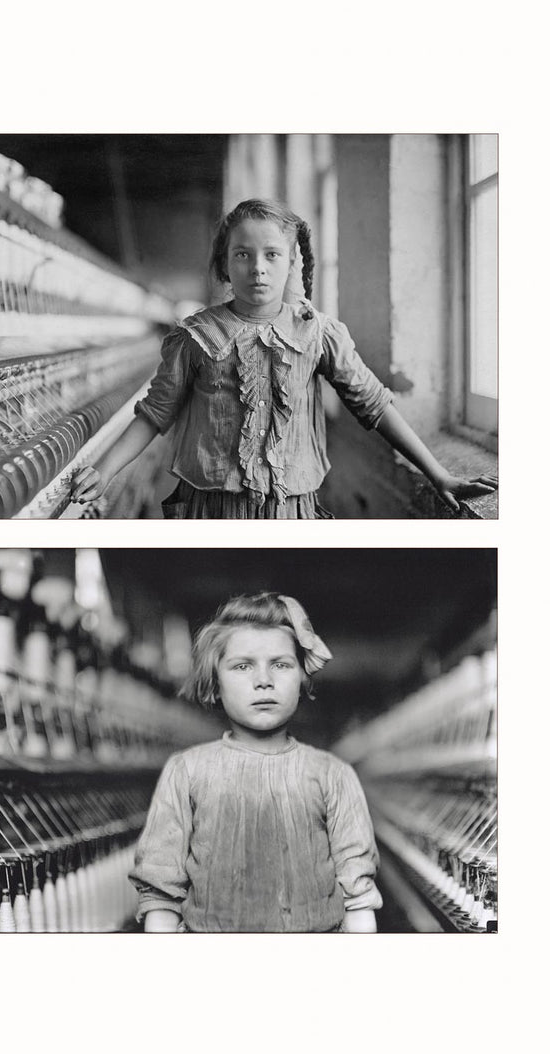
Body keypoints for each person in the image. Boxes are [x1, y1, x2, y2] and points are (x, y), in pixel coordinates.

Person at [72, 198, 496, 518]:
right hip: (210, 510)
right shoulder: (194, 337)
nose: (258, 267)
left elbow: (375, 404)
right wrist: (104, 471)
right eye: (243, 254)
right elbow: (154, 413)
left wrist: (437, 473)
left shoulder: (319, 333)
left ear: (292, 261)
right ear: (224, 263)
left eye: (271, 255)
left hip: (290, 510)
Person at [128, 592, 383, 933]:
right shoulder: (186, 771)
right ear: (215, 683)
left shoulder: (333, 775)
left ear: (302, 679)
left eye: (281, 664)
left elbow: (358, 900)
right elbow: (160, 894)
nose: (264, 680)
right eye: (242, 665)